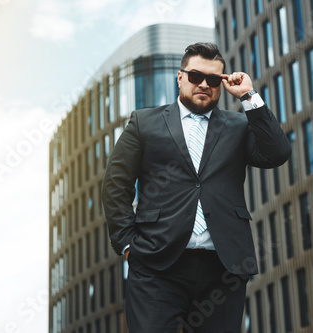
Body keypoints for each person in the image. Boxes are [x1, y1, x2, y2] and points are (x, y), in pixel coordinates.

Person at [102, 42, 291, 333]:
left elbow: (277, 153)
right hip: (156, 265)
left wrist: (249, 96)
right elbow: (116, 184)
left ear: (222, 84)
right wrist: (128, 245)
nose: (204, 84)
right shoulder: (144, 123)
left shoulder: (238, 126)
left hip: (222, 268)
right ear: (180, 77)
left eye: (214, 80)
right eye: (195, 76)